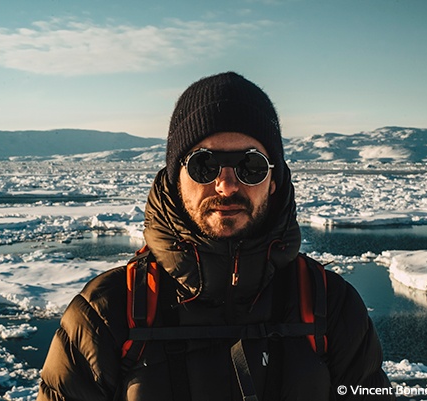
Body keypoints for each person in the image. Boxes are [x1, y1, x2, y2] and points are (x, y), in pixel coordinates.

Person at [37, 72, 394, 400]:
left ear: (274, 181)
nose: (226, 185)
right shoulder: (107, 314)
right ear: (177, 178)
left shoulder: (330, 308)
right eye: (204, 165)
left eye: (250, 165)